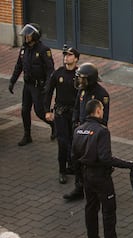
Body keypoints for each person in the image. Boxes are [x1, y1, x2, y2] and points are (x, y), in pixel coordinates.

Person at [72, 99, 133, 238]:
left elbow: (73, 155)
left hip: (86, 174)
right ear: (97, 111)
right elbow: (105, 158)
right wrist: (130, 165)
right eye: (101, 109)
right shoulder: (102, 131)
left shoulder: (78, 129)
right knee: (109, 212)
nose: (103, 111)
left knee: (91, 208)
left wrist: (79, 177)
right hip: (101, 177)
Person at [63, 62, 110, 201]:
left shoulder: (102, 95)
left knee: (93, 161)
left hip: (93, 135)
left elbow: (104, 118)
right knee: (76, 159)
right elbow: (77, 107)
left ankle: (96, 188)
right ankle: (79, 187)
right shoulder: (82, 91)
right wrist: (74, 121)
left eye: (83, 79)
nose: (80, 81)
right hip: (80, 131)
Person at [8, 23, 56, 146]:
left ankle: (54, 126)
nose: (26, 37)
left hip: (38, 86)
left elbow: (50, 69)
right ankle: (27, 135)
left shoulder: (44, 50)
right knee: (24, 110)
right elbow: (19, 66)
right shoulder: (24, 49)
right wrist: (12, 81)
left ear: (35, 35)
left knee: (40, 112)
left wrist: (48, 84)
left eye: (28, 35)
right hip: (27, 86)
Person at [44, 47, 80, 184]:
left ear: (76, 58)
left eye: (70, 55)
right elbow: (48, 92)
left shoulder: (79, 74)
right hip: (60, 113)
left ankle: (72, 166)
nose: (66, 57)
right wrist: (47, 110)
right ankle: (62, 170)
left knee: (74, 142)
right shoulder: (58, 73)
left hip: (74, 114)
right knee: (63, 142)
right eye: (65, 55)